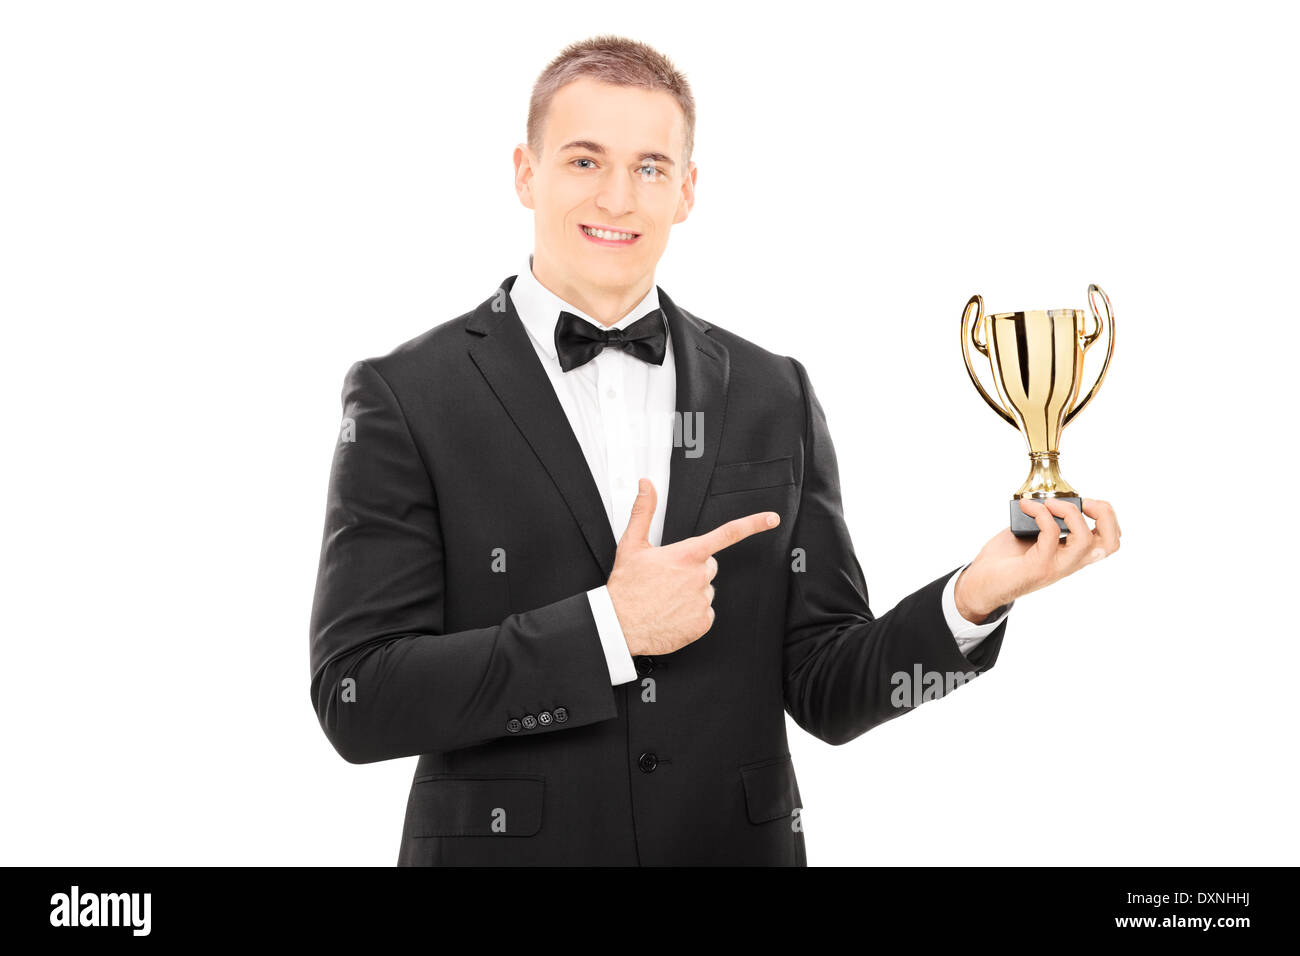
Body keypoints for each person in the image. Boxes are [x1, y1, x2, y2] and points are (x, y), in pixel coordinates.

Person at [307, 34, 1121, 866]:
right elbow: (360, 696)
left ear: (687, 190)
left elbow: (826, 687)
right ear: (526, 172)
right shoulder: (405, 394)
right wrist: (608, 629)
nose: (618, 197)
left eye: (651, 167)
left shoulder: (775, 392)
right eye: (585, 161)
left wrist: (974, 598)